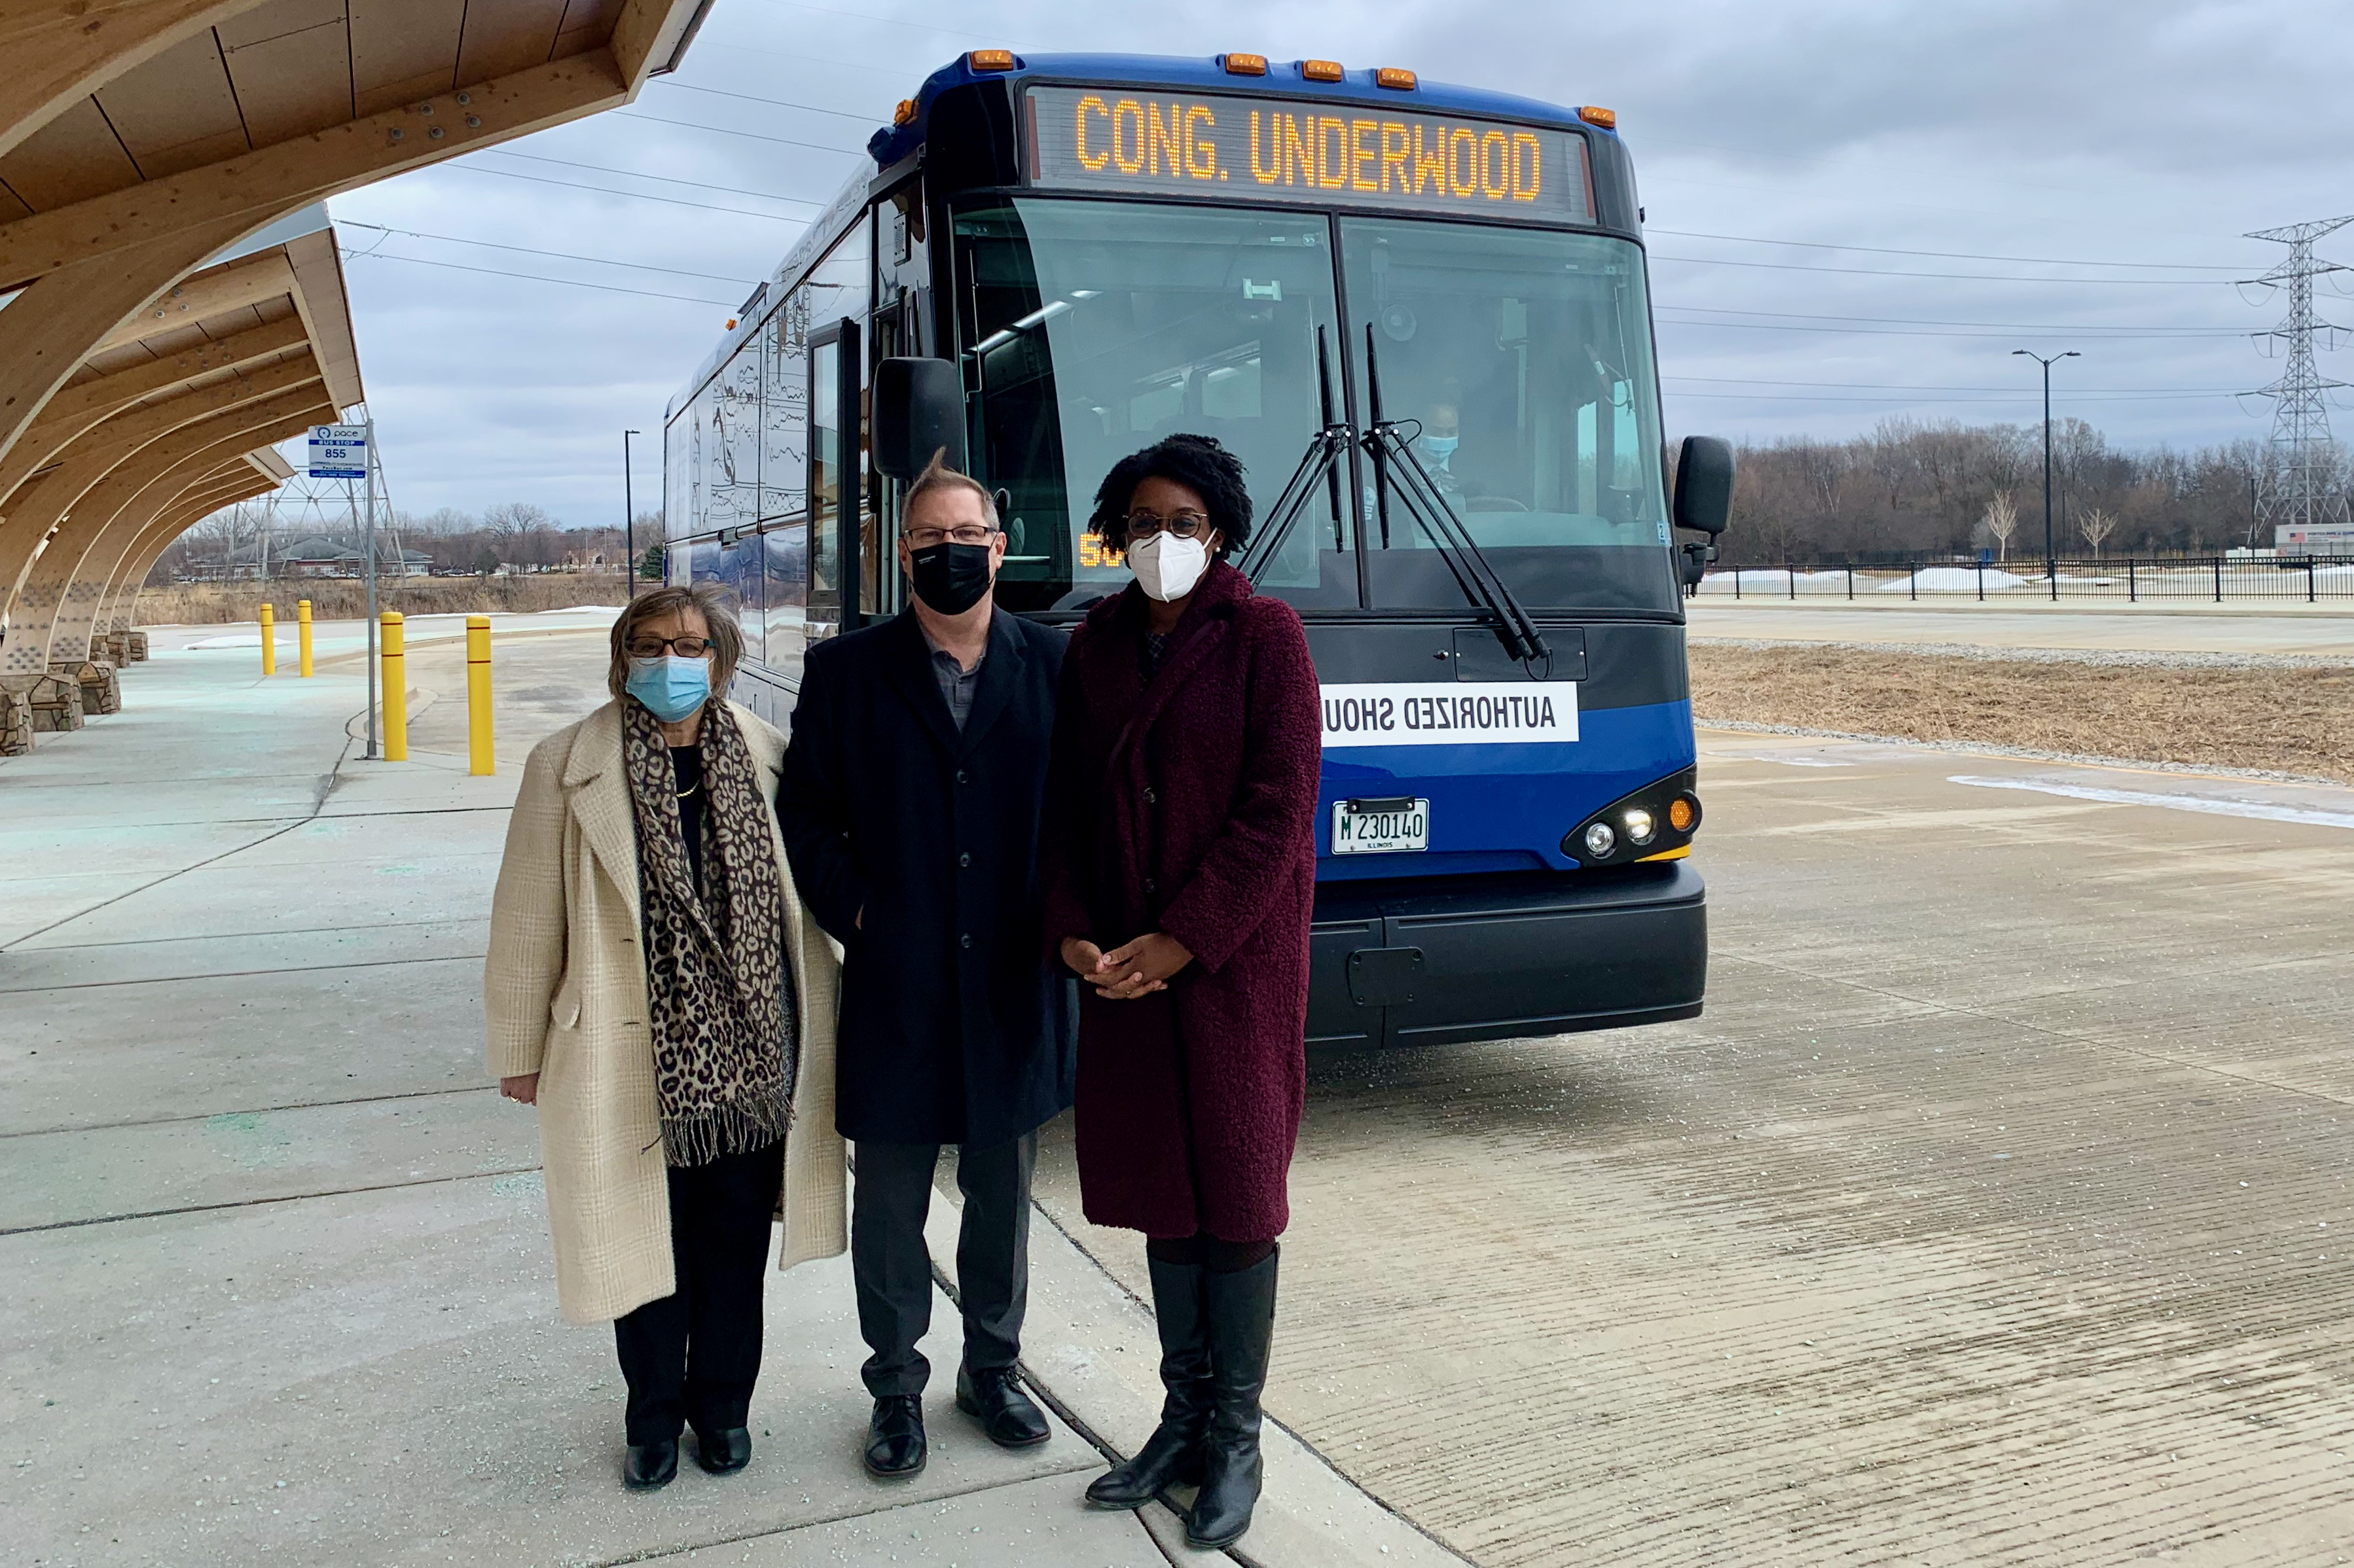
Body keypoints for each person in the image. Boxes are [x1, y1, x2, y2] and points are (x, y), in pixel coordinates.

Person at [484, 584, 847, 1491]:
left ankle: (723, 1410)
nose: (671, 663)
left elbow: (804, 914)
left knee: (732, 1252)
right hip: (622, 1056)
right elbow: (527, 915)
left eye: (690, 647)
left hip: (755, 1066)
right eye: (650, 645)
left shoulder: (771, 757)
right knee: (641, 1245)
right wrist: (519, 1050)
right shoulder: (564, 765)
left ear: (722, 662)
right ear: (621, 659)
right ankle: (651, 1417)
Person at [1040, 433, 1322, 1549]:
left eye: (1186, 523)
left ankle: (1236, 1440)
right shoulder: (1097, 645)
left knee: (1240, 1195)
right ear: (1116, 531)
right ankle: (1181, 1419)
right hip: (1123, 972)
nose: (1164, 542)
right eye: (1144, 523)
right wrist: (1073, 933)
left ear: (1222, 533)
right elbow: (1064, 809)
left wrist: (1184, 938)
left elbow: (1276, 811)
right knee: (1167, 1191)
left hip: (1231, 969)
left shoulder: (1266, 637)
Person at [778, 451, 1074, 1480]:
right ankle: (894, 1387)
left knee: (1002, 1198)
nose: (951, 553)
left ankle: (992, 1370)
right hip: (896, 983)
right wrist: (858, 907)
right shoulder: (845, 672)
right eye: (928, 540)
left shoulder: (1058, 664)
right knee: (893, 1206)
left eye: (968, 537)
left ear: (1001, 547)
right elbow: (806, 811)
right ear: (900, 553)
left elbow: (1084, 814)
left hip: (1013, 985)